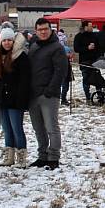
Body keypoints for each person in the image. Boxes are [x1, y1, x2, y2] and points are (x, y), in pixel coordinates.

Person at [28, 19, 69, 170]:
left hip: (48, 95)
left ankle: (53, 156)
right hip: (33, 94)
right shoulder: (34, 46)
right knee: (38, 128)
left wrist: (50, 91)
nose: (43, 32)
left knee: (51, 127)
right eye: (40, 30)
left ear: (50, 29)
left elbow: (60, 71)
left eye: (45, 29)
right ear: (36, 31)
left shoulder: (57, 47)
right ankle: (42, 155)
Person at [0, 27, 31, 167]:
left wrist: (22, 99)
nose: (7, 43)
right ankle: (9, 157)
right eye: (4, 40)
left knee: (17, 129)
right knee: (7, 129)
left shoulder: (21, 57)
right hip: (2, 99)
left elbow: (25, 80)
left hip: (16, 99)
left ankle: (21, 157)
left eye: (9, 40)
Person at [73, 21, 100, 102]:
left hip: (94, 61)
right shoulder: (79, 36)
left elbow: (99, 46)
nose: (92, 27)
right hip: (84, 61)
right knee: (86, 79)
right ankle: (87, 96)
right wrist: (87, 48)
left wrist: (96, 49)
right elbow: (76, 49)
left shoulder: (94, 35)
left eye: (92, 26)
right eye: (90, 26)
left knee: (97, 78)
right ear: (85, 27)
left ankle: (99, 95)